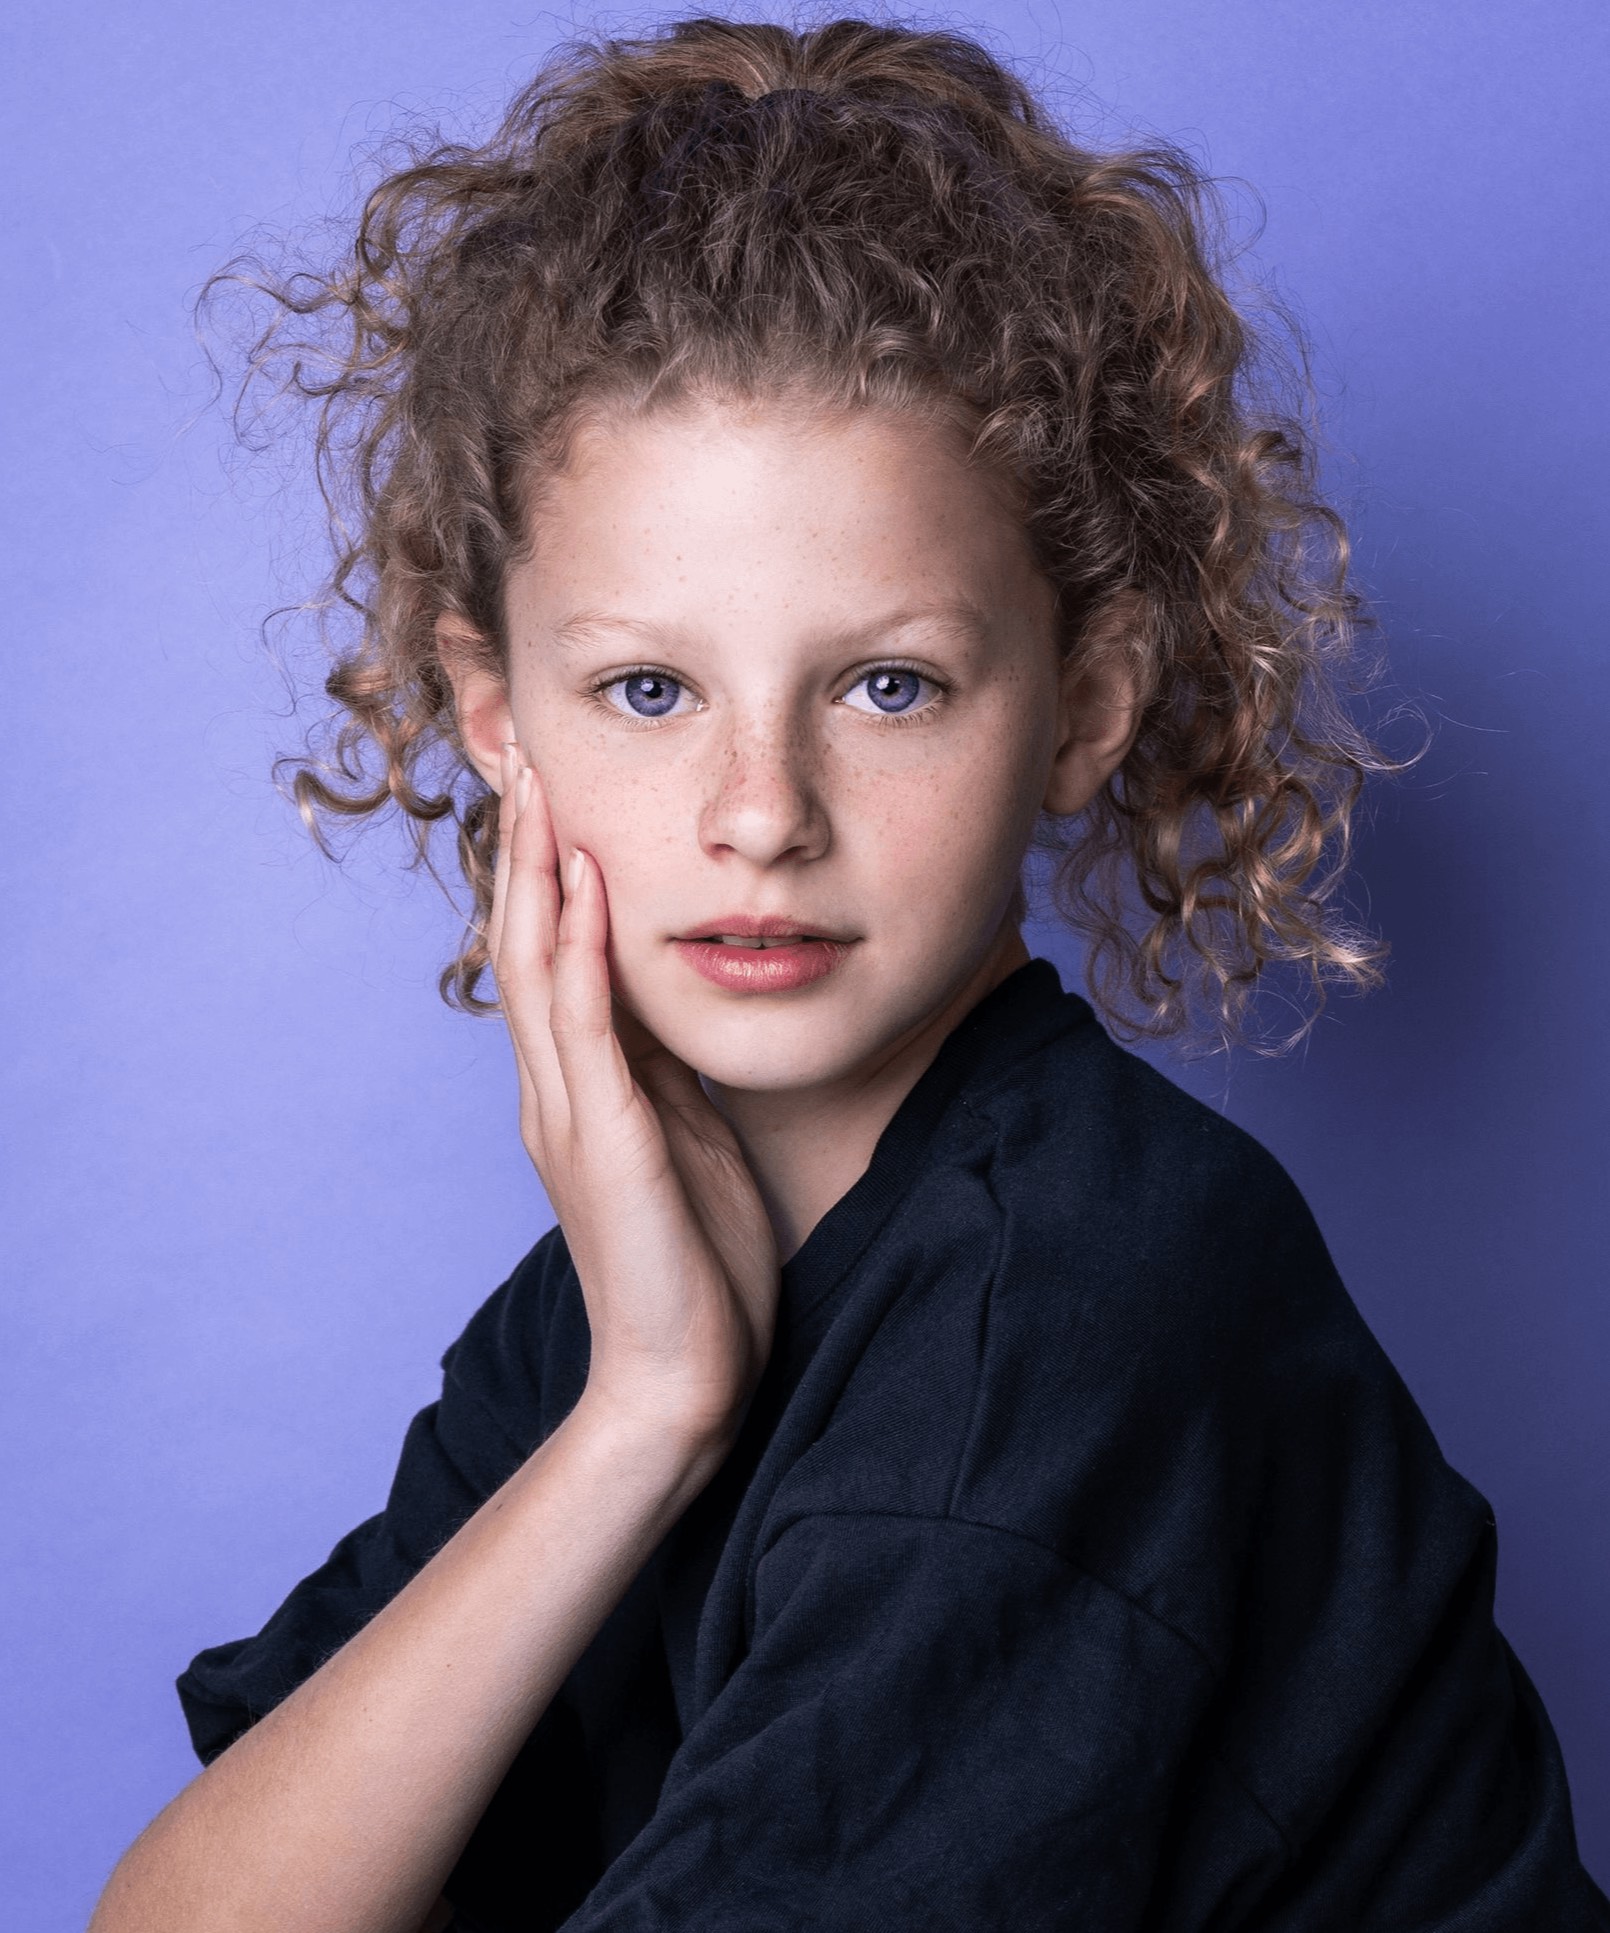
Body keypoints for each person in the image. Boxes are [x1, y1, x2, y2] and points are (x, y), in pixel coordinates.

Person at [91, 15, 1607, 1931]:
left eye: (887, 685)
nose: (760, 813)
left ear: (1081, 711)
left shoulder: (1068, 1314)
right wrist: (641, 1415)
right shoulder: (626, 1297)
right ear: (493, 714)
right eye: (649, 689)